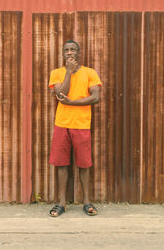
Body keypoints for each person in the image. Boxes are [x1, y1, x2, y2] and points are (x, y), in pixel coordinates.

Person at [48, 40, 102, 217]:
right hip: (62, 124)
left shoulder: (89, 72)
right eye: (66, 50)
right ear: (62, 54)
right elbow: (60, 94)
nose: (69, 53)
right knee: (62, 164)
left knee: (84, 164)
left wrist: (73, 103)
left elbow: (95, 97)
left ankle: (87, 202)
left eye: (73, 50)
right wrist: (69, 73)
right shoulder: (57, 73)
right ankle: (62, 203)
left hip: (81, 124)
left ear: (79, 53)